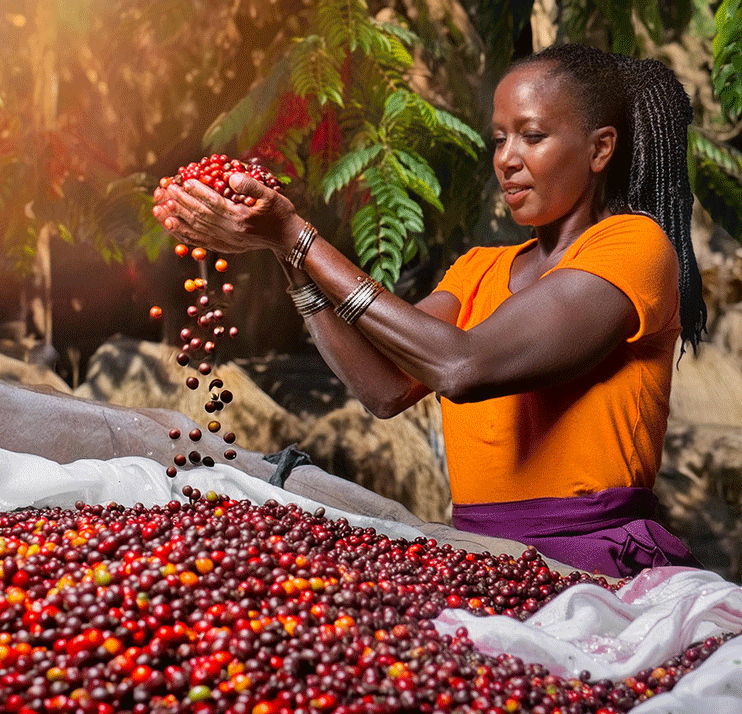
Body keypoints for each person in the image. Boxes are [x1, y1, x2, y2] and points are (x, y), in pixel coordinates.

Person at [152, 43, 706, 578]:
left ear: (600, 149)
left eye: (532, 136)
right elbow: (385, 388)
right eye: (499, 139)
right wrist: (285, 253)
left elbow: (462, 368)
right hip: (481, 558)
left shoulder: (635, 247)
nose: (507, 160)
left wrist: (300, 236)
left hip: (592, 564)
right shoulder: (479, 269)